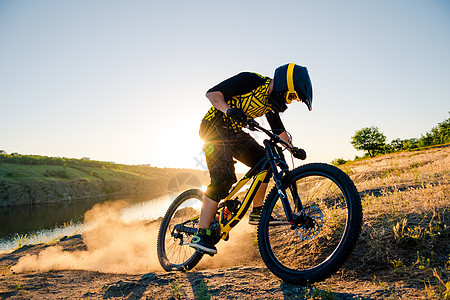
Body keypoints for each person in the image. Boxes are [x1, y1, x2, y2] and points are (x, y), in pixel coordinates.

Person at [189, 63, 313, 255]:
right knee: (223, 179)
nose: (289, 102)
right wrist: (229, 110)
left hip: (234, 133)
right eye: (292, 96)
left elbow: (278, 131)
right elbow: (212, 94)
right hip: (213, 128)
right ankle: (201, 234)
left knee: (267, 162)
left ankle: (257, 212)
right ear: (283, 85)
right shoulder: (251, 80)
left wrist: (292, 149)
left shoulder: (269, 105)